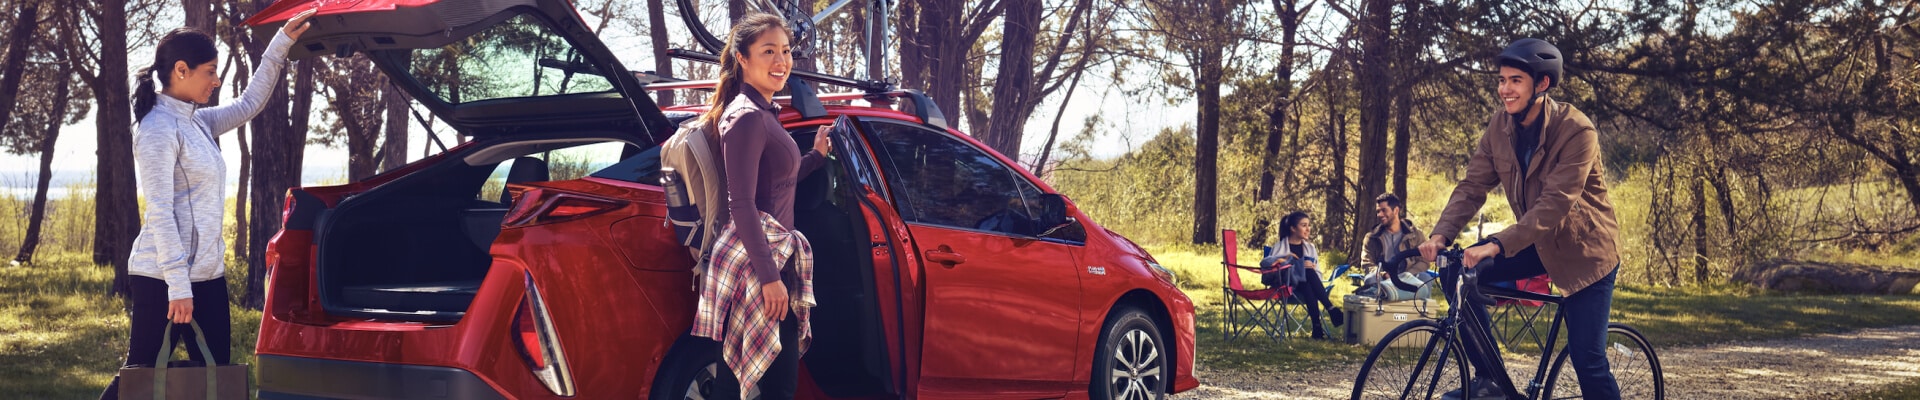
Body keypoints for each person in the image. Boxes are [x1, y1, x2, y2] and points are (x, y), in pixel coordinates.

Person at [101, 7, 318, 399]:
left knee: (217, 378)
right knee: (139, 380)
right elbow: (160, 211)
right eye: (211, 71)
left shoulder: (197, 121)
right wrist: (178, 286)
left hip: (208, 277)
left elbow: (250, 103)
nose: (217, 81)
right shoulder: (156, 129)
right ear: (181, 70)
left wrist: (281, 43)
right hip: (161, 279)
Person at [1418, 38, 1622, 400]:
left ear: (1541, 85)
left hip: (1584, 253)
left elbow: (1554, 204)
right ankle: (1490, 379)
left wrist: (1496, 244)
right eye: (1501, 80)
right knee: (1455, 269)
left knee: (1587, 358)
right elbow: (1472, 187)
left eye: (1515, 81)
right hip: (1536, 244)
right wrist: (1440, 236)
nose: (1504, 89)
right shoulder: (1500, 127)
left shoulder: (1577, 131)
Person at [689, 12, 832, 400]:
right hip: (756, 268)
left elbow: (776, 180)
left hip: (770, 260)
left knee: (769, 383)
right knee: (749, 386)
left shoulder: (763, 113)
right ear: (743, 58)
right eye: (768, 51)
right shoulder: (747, 118)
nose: (780, 61)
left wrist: (815, 157)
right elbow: (743, 203)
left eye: (785, 51)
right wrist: (770, 278)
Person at [1261, 211, 1344, 340]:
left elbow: (1318, 273)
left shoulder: (1310, 248)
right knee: (1307, 272)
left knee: (1308, 282)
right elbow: (1272, 269)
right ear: (1293, 228)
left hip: (1305, 287)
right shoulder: (1279, 247)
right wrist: (1292, 262)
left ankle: (1317, 329)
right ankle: (1330, 308)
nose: (1308, 229)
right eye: (1304, 225)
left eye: (1308, 225)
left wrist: (1312, 267)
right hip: (1286, 286)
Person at [1361, 193, 1429, 292]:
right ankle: (1378, 307)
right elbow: (1367, 263)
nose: (1379, 214)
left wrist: (1406, 275)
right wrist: (1382, 274)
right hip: (1383, 278)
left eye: (1384, 210)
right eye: (1378, 211)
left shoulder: (1415, 235)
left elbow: (1424, 261)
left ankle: (1422, 307)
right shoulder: (1372, 238)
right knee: (1370, 279)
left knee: (1425, 278)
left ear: (1396, 210)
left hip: (1409, 277)